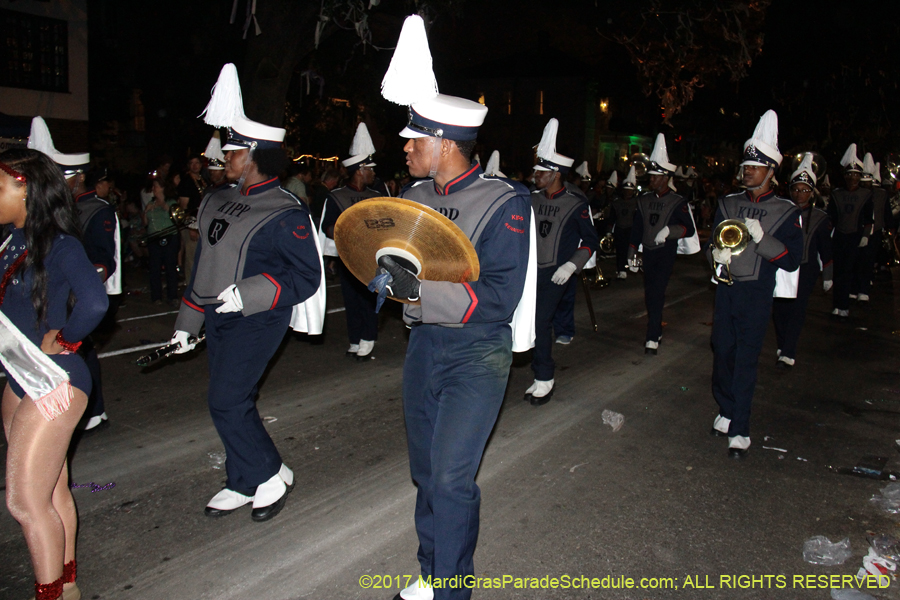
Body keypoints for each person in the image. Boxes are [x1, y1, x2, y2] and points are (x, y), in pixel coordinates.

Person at [374, 15, 534, 600]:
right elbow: (393, 269)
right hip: (424, 348)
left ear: (444, 143)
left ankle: (453, 590)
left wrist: (416, 292)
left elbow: (497, 297)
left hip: (475, 353)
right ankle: (433, 569)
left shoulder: (503, 203)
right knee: (425, 475)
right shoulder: (414, 196)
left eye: (415, 140)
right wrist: (385, 278)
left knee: (451, 478)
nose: (408, 149)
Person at [170, 63, 324, 522]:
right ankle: (242, 479)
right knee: (234, 397)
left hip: (258, 317)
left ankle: (270, 473)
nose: (223, 156)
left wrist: (251, 293)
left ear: (254, 154)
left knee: (226, 399)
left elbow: (306, 276)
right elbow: (204, 267)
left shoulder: (286, 209)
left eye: (232, 149)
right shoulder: (216, 198)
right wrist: (186, 325)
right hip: (217, 318)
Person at [0, 148, 108, 600]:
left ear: (25, 190)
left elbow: (96, 302)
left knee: (24, 502)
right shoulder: (9, 239)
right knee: (53, 486)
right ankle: (67, 583)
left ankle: (49, 594)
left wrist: (65, 340)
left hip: (54, 378)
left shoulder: (61, 245)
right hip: (17, 374)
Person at [707, 110, 802, 458]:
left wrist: (763, 241)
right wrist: (715, 256)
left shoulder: (787, 210)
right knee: (722, 351)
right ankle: (727, 407)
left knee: (746, 358)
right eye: (746, 166)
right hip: (726, 290)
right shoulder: (728, 202)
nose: (748, 171)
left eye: (755, 167)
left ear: (771, 171)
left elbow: (793, 259)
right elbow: (711, 243)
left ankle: (740, 428)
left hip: (757, 293)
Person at [526, 118, 598, 404]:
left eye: (540, 172)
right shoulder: (529, 199)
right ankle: (537, 371)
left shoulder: (576, 203)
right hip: (531, 272)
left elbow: (591, 240)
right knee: (531, 323)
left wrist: (571, 265)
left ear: (555, 174)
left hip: (556, 274)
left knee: (542, 322)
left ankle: (545, 377)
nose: (534, 175)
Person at [627, 134, 695, 354]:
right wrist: (631, 253)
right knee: (650, 292)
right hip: (648, 251)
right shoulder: (644, 200)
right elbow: (637, 228)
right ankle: (655, 330)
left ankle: (652, 335)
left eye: (655, 177)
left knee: (657, 291)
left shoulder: (677, 201)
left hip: (665, 252)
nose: (651, 180)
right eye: (651, 177)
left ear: (665, 177)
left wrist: (669, 231)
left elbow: (689, 228)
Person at [319, 123, 382, 360]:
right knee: (351, 300)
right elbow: (327, 227)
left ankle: (368, 338)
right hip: (348, 255)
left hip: (372, 257)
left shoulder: (377, 195)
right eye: (370, 169)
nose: (374, 174)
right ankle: (355, 339)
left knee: (368, 299)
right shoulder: (337, 196)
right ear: (360, 170)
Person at [771, 154, 833, 368]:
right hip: (781, 266)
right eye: (796, 189)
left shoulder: (820, 217)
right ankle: (782, 344)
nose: (800, 194)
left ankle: (788, 351)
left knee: (797, 310)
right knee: (779, 309)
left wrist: (828, 275)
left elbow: (826, 249)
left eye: (805, 190)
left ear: (812, 192)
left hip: (805, 269)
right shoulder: (780, 210)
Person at [828, 144, 873, 318]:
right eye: (849, 174)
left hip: (855, 237)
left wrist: (865, 236)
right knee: (838, 272)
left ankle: (844, 305)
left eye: (855, 175)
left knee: (848, 271)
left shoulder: (866, 195)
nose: (852, 178)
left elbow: (869, 219)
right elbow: (831, 217)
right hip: (839, 237)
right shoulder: (836, 194)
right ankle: (837, 304)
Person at [143, 177, 181, 305]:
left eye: (156, 186)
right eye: (153, 186)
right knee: (155, 269)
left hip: (169, 237)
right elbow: (145, 223)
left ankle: (173, 296)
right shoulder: (150, 202)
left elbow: (176, 217)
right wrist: (145, 212)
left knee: (170, 267)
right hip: (154, 239)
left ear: (163, 187)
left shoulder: (171, 202)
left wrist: (162, 203)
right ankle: (156, 297)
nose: (154, 189)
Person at [609, 165, 638, 279]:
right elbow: (612, 217)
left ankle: (628, 266)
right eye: (626, 191)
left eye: (630, 191)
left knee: (629, 249)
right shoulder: (617, 203)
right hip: (620, 229)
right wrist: (608, 231)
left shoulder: (637, 203)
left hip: (631, 229)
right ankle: (620, 269)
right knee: (620, 250)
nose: (628, 193)